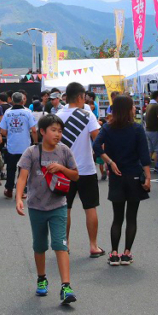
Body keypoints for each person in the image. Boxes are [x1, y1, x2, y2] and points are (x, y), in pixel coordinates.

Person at [15, 114, 79, 304]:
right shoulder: (32, 152)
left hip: (58, 205)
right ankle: (42, 278)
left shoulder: (65, 151)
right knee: (40, 245)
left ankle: (66, 286)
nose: (57, 134)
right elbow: (22, 177)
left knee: (60, 245)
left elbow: (75, 176)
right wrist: (18, 198)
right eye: (53, 130)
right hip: (36, 207)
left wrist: (61, 168)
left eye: (60, 131)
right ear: (42, 132)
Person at [93, 95, 151, 266]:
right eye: (132, 106)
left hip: (116, 177)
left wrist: (109, 161)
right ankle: (127, 254)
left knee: (117, 218)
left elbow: (96, 146)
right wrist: (148, 177)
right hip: (134, 175)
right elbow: (144, 156)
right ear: (127, 109)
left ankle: (114, 253)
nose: (135, 108)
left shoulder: (107, 128)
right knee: (131, 217)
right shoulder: (137, 128)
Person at [56, 82, 104, 257]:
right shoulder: (87, 114)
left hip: (64, 170)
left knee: (64, 208)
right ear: (80, 97)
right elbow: (97, 140)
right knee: (90, 207)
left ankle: (65, 245)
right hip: (85, 169)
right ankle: (93, 245)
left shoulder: (58, 115)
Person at [0, 92, 38, 199]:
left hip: (11, 146)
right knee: (24, 169)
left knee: (11, 169)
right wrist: (35, 143)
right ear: (22, 101)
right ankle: (21, 191)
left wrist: (11, 135)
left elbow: (2, 131)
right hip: (25, 146)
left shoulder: (7, 113)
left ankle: (9, 189)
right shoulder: (27, 112)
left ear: (11, 101)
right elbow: (34, 130)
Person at [143, 92, 158, 164]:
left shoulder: (149, 105)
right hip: (154, 131)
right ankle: (157, 167)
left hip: (147, 130)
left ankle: (146, 166)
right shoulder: (156, 106)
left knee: (150, 149)